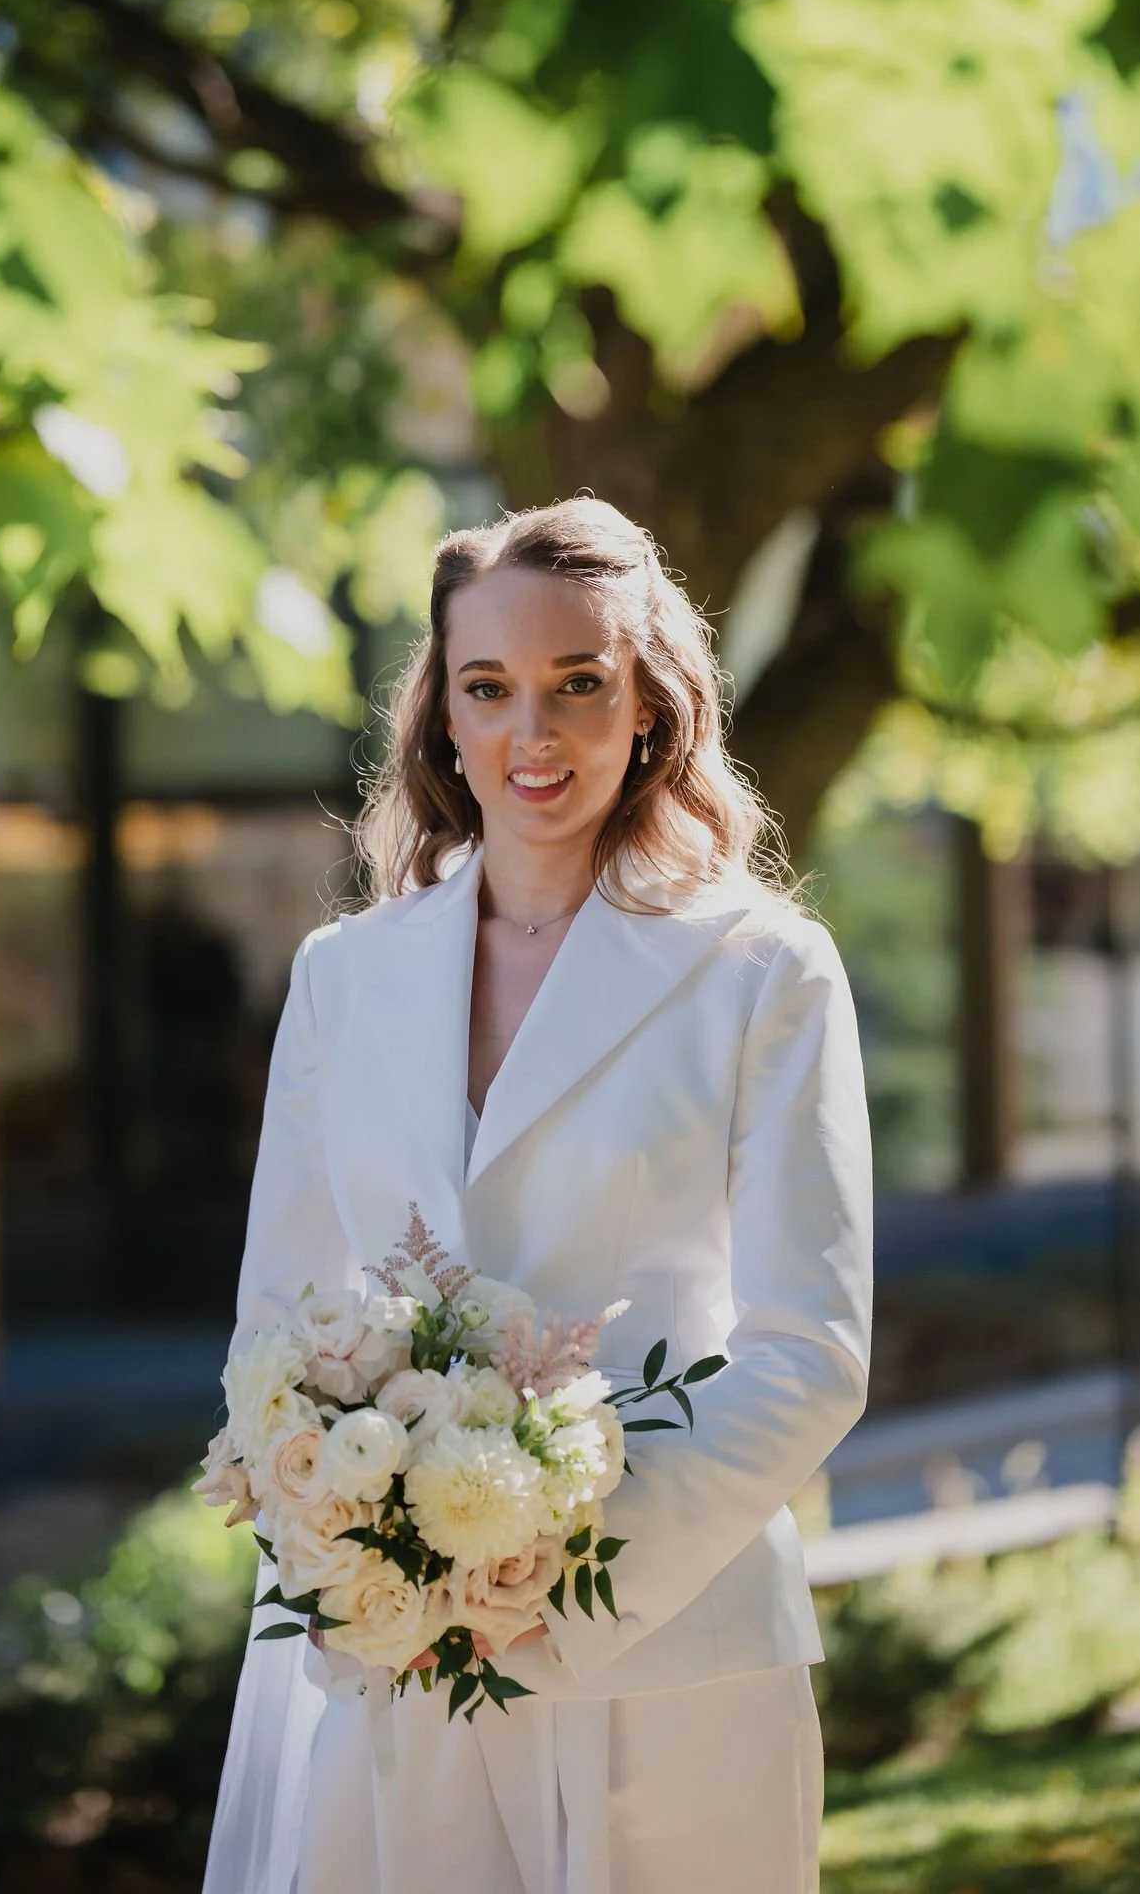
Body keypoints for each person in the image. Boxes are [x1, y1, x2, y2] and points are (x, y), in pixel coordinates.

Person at [201, 499, 873, 1894]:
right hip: (393, 1674)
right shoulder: (344, 978)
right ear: (441, 717)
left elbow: (812, 1351)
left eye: (580, 685)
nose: (533, 733)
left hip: (672, 1669)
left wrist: (550, 1588)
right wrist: (370, 1563)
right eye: (488, 689)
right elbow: (279, 1327)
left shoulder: (765, 972)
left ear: (651, 705)